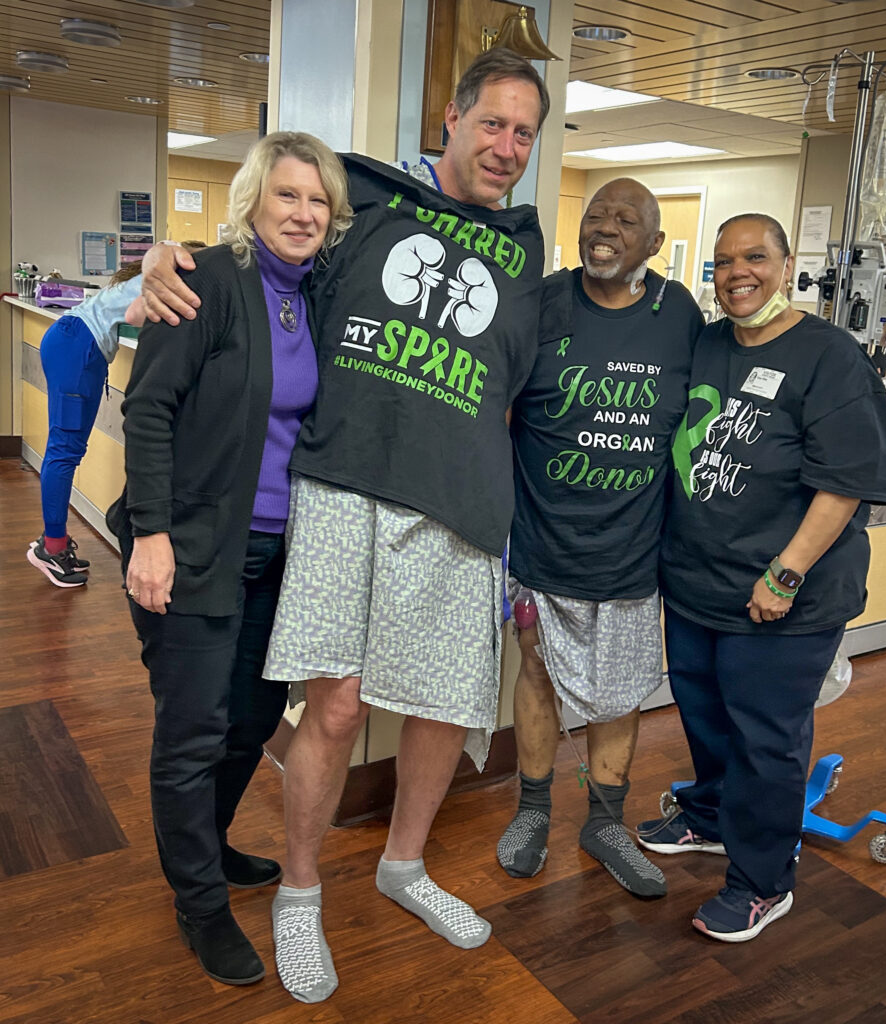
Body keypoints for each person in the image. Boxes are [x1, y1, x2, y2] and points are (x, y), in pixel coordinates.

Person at [137, 49, 549, 1004]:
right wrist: (158, 253)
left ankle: (404, 868)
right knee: (331, 705)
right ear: (450, 117)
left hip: (458, 507)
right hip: (343, 491)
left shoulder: (528, 255)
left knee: (444, 705)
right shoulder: (361, 202)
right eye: (492, 123)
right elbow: (255, 249)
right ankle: (298, 890)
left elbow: (525, 383)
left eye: (525, 133)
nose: (507, 146)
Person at [106, 131, 353, 985]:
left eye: (318, 200)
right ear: (252, 201)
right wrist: (150, 532)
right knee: (193, 733)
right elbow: (147, 410)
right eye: (287, 195)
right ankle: (199, 905)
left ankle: (204, 852)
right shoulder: (205, 281)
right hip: (195, 546)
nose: (303, 213)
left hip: (281, 557)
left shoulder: (322, 294)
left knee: (251, 723)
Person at [636, 213, 886, 942]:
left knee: (765, 738)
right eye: (722, 262)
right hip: (697, 581)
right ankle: (712, 818)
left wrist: (784, 573)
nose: (736, 273)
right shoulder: (710, 343)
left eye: (754, 258)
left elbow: (844, 482)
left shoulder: (829, 357)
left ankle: (761, 881)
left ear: (786, 265)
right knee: (706, 714)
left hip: (784, 593)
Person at [496, 179, 703, 897]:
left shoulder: (677, 312)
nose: (604, 228)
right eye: (594, 215)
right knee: (535, 673)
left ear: (654, 243)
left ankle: (605, 821)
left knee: (620, 695)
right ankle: (530, 810)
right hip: (542, 542)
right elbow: (497, 407)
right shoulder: (544, 301)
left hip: (632, 548)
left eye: (626, 219)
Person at [25, 246, 200, 587]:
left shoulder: (150, 272)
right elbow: (136, 316)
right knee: (64, 451)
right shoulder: (167, 277)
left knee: (66, 449)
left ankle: (53, 542)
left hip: (72, 342)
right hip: (79, 349)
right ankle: (52, 549)